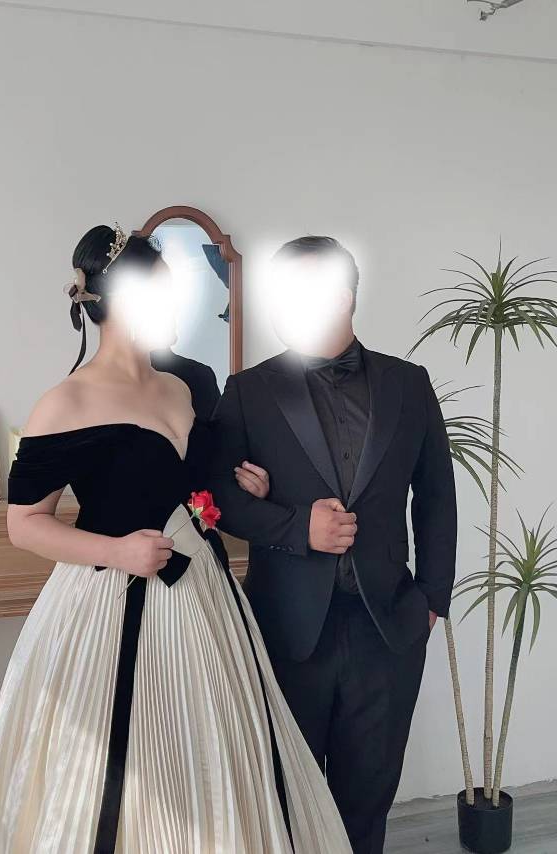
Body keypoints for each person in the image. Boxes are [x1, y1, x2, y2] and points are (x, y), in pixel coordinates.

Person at [0, 224, 350, 854]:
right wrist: (114, 551)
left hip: (206, 597)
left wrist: (248, 485)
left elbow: (191, 485)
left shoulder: (182, 386)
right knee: (121, 772)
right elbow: (22, 523)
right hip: (109, 600)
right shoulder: (66, 401)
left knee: (216, 756)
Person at [210, 236, 457, 854]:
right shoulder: (248, 390)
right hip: (288, 629)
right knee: (286, 799)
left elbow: (435, 495)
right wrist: (297, 526)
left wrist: (432, 599)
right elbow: (217, 501)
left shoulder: (409, 384)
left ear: (344, 297)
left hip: (388, 629)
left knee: (366, 804)